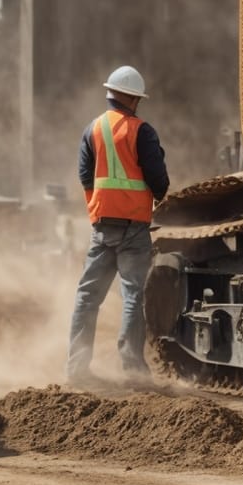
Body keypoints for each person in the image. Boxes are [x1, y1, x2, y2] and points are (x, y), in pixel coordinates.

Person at [66, 65, 170, 386]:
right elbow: (159, 181)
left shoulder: (92, 129)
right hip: (134, 228)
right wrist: (156, 196)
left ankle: (77, 369)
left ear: (110, 93)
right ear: (133, 99)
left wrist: (97, 211)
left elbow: (85, 177)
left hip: (102, 226)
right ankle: (133, 370)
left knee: (87, 296)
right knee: (132, 295)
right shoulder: (141, 131)